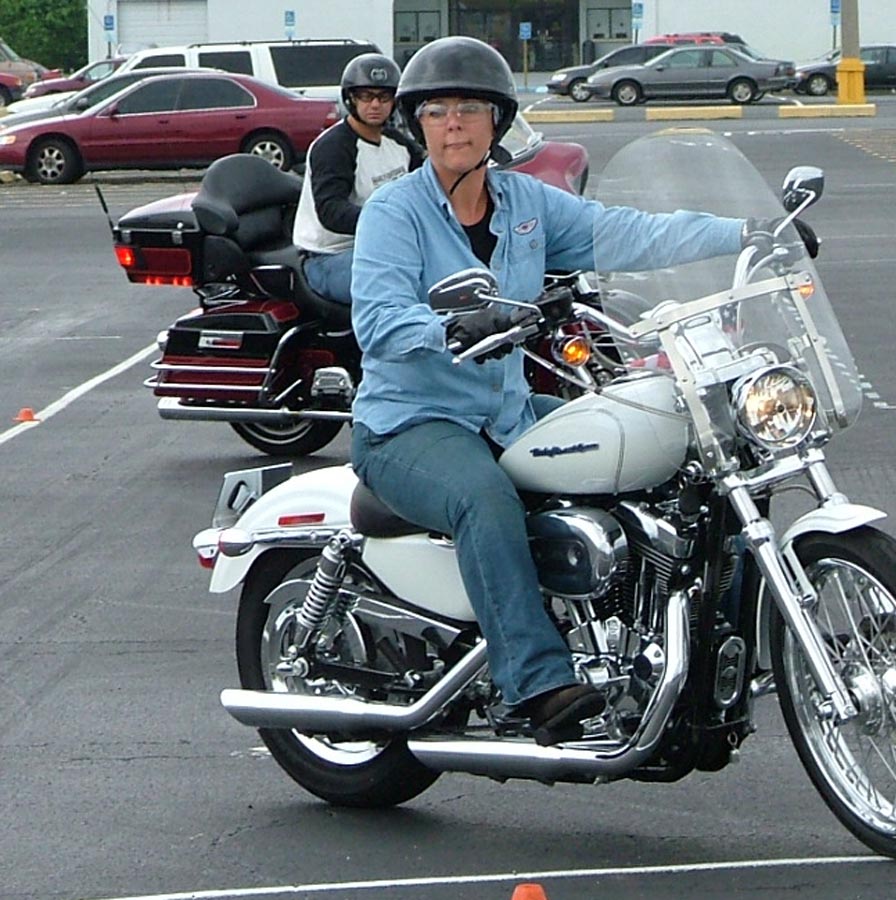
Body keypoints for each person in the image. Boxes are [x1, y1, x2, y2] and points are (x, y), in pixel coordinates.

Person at [349, 36, 818, 745]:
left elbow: (626, 233)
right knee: (482, 497)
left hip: (505, 412)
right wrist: (450, 325)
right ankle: (536, 683)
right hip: (410, 424)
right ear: (417, 124)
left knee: (654, 437)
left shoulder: (525, 203)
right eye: (437, 111)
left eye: (470, 108)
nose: (454, 124)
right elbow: (379, 319)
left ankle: (691, 647)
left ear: (498, 121)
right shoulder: (395, 212)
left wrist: (749, 233)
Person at [292, 53, 423, 304]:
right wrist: (390, 222)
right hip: (331, 256)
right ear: (350, 98)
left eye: (384, 97)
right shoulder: (333, 147)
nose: (375, 104)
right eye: (365, 96)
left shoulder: (398, 144)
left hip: (385, 246)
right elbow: (331, 211)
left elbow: (428, 184)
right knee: (400, 286)